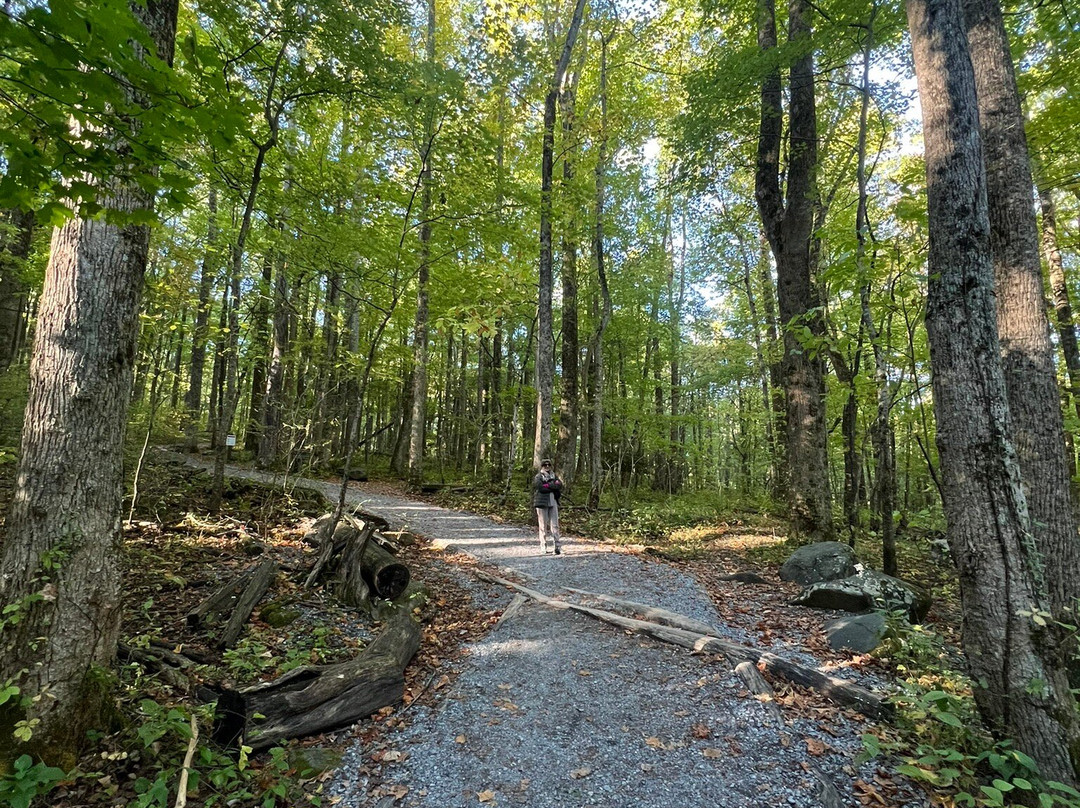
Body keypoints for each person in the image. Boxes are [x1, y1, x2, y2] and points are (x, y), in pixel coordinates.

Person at [532, 459, 563, 555]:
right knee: (543, 525)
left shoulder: (554, 476)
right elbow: (540, 487)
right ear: (542, 466)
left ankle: (557, 546)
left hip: (553, 502)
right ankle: (543, 546)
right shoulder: (538, 476)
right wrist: (552, 486)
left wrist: (548, 485)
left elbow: (559, 485)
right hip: (542, 503)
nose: (547, 466)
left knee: (555, 525)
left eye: (549, 465)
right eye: (545, 465)